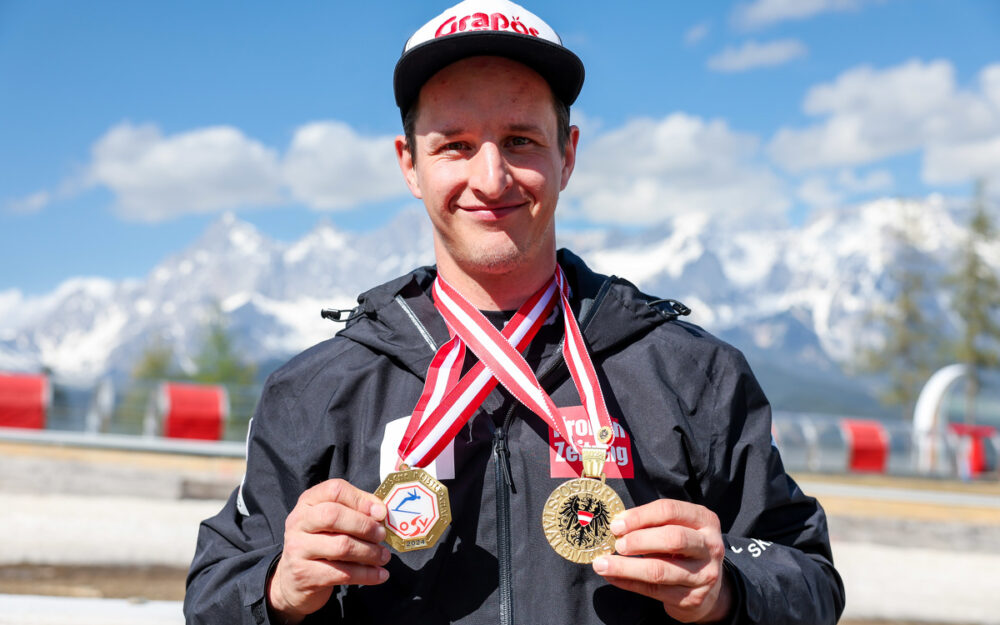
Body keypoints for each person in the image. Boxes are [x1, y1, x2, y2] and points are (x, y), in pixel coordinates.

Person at [184, 1, 845, 623]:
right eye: (456, 144)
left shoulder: (693, 374)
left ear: (569, 154)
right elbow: (212, 590)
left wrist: (728, 582)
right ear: (409, 164)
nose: (492, 177)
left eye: (522, 140)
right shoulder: (315, 390)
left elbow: (810, 573)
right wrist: (278, 586)